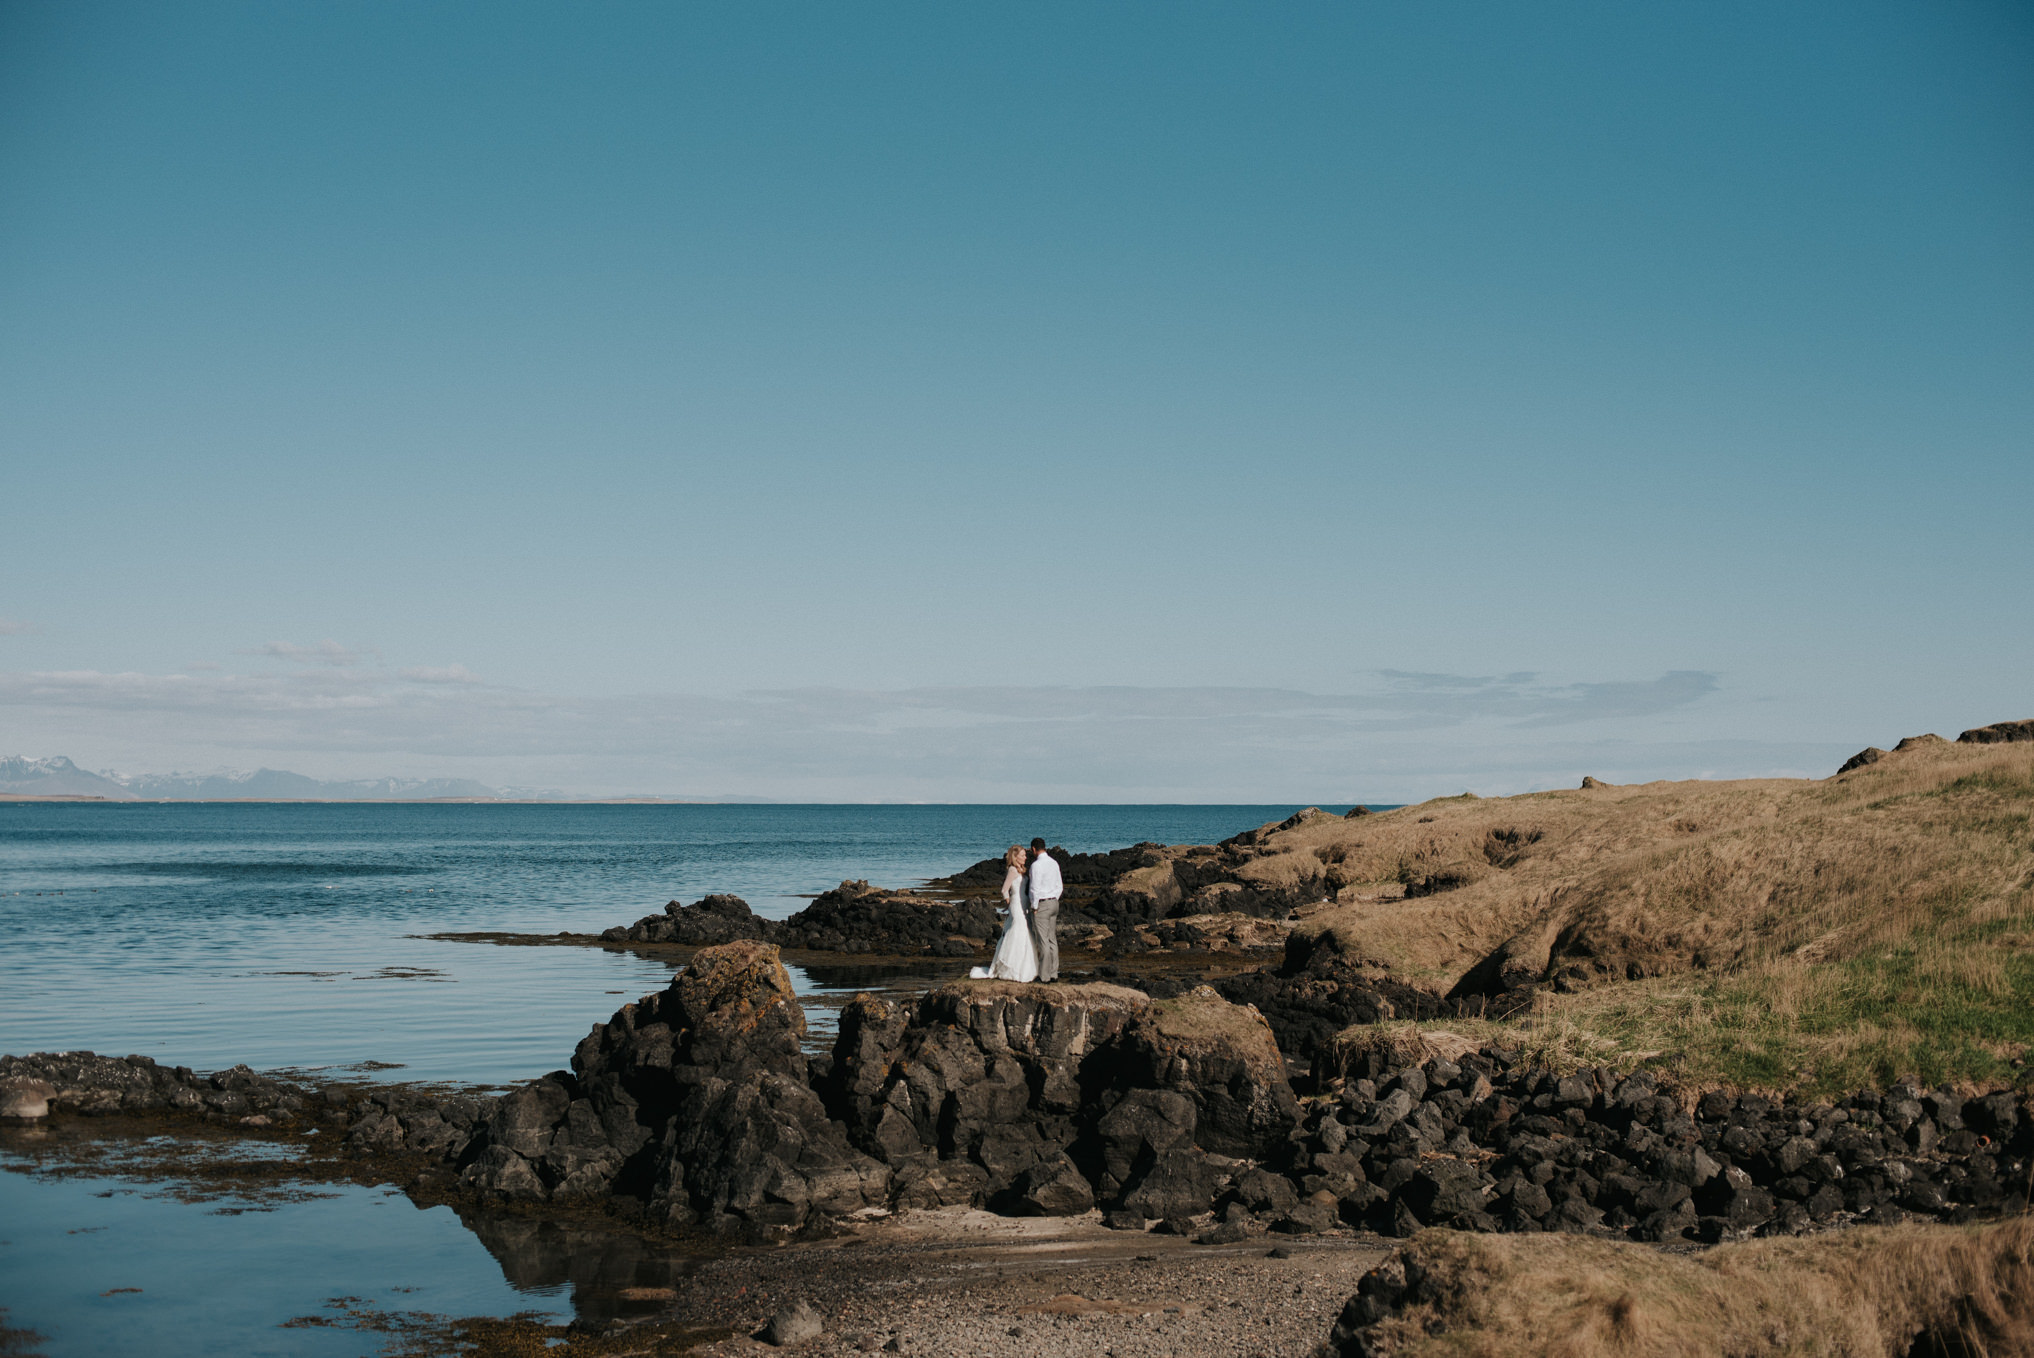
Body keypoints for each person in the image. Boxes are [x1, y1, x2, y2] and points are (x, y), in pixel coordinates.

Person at [969, 845, 1039, 982]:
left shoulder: (1022, 870)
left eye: (1025, 855)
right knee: (1017, 930)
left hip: (1024, 904)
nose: (1025, 857)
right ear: (1015, 856)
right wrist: (1008, 903)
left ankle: (1023, 967)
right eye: (1023, 855)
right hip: (1016, 904)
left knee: (1026, 932)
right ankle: (1010, 967)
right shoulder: (1012, 870)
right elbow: (1004, 890)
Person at [1025, 836, 1062, 983]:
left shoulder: (1036, 865)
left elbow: (1034, 888)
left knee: (1043, 941)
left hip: (1042, 904)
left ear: (1033, 849)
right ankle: (1054, 974)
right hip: (1054, 902)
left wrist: (1034, 906)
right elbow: (1059, 885)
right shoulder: (1054, 863)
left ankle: (1044, 976)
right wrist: (1055, 898)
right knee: (1052, 939)